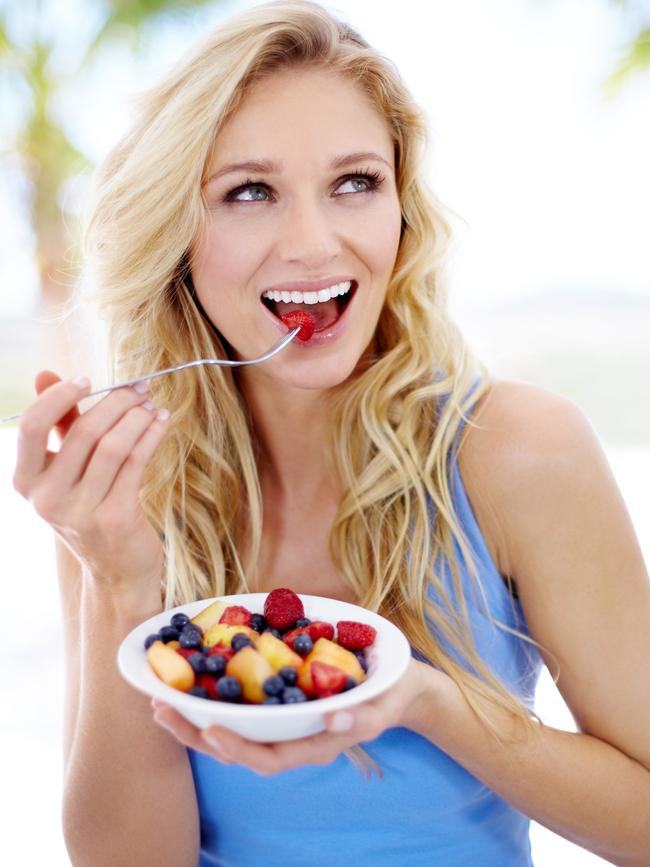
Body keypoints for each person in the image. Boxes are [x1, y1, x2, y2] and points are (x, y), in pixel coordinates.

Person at [12, 2, 650, 865]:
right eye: (249, 192)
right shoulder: (123, 495)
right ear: (176, 238)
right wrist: (120, 582)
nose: (316, 244)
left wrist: (426, 701)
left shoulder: (518, 450)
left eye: (355, 182)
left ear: (401, 207)